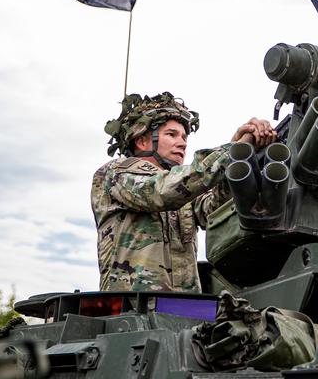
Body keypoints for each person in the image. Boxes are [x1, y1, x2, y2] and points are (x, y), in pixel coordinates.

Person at [91, 91, 276, 291]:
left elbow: (211, 210)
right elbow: (160, 192)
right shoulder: (115, 173)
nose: (183, 143)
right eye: (172, 135)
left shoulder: (184, 188)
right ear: (142, 140)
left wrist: (239, 160)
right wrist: (232, 150)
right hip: (134, 307)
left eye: (184, 137)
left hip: (184, 308)